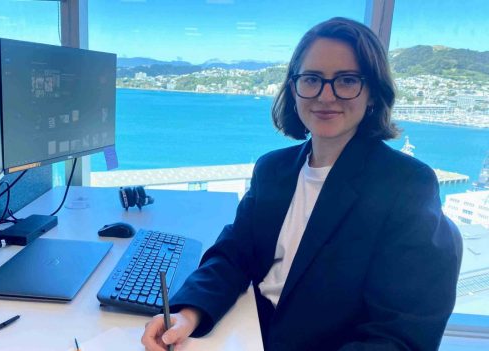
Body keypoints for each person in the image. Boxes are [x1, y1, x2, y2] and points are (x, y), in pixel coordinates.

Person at [142, 17, 462, 351]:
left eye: (347, 80)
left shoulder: (405, 185)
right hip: (245, 331)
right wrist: (188, 314)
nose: (326, 95)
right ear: (294, 88)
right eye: (312, 79)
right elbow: (234, 254)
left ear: (372, 94)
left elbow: (400, 336)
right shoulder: (273, 169)